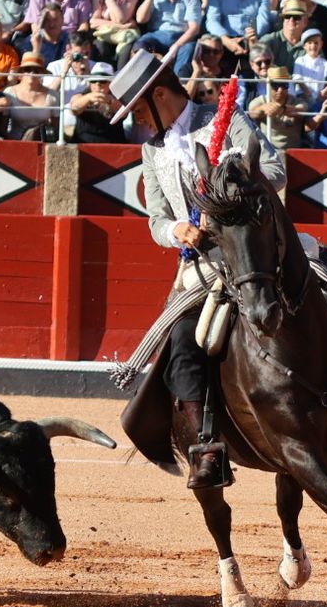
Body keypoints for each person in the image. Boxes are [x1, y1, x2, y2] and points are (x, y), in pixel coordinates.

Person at [109, 48, 283, 489]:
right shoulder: (152, 150)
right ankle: (206, 447)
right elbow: (156, 219)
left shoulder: (224, 119)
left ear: (159, 95)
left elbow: (275, 170)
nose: (139, 122)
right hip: (203, 265)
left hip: (255, 251)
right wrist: (177, 231)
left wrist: (226, 193)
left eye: (138, 111)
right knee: (182, 339)